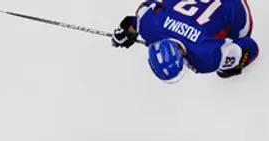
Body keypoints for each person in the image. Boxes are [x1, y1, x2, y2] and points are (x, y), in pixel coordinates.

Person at [111, 0, 259, 82]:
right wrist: (127, 28)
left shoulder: (207, 59)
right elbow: (145, 8)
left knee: (227, 68)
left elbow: (251, 47)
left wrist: (235, 62)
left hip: (233, 5)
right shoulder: (148, 27)